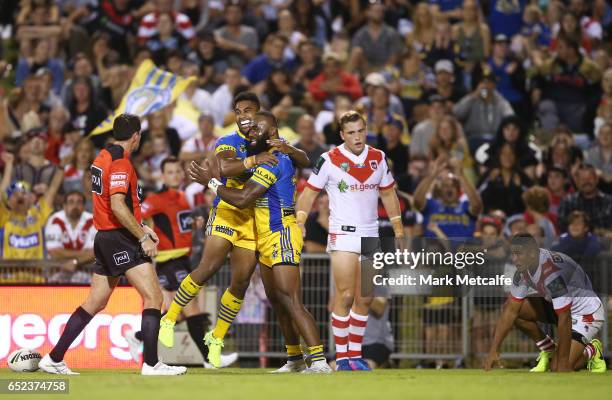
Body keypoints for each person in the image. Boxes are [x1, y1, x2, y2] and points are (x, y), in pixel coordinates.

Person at [158, 92, 309, 368]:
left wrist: (286, 150)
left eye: (248, 110)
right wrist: (254, 160)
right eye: (238, 111)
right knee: (208, 268)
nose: (242, 116)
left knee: (239, 283)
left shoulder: (270, 141)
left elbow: (303, 159)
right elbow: (224, 167)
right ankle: (168, 319)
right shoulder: (228, 141)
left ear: (259, 113)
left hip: (253, 219)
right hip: (227, 212)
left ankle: (216, 340)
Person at [38, 113, 186, 376]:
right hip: (120, 237)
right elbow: (117, 205)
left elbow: (114, 204)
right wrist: (141, 236)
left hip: (105, 237)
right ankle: (151, 363)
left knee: (95, 302)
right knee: (153, 296)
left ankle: (54, 357)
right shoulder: (120, 163)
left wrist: (141, 226)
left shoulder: (101, 158)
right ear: (136, 136)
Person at [189, 111, 332, 374]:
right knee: (277, 300)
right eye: (251, 128)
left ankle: (320, 361)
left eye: (257, 128)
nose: (251, 131)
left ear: (273, 130)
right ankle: (294, 359)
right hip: (265, 236)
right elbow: (303, 158)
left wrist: (210, 182)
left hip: (282, 233)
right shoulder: (277, 155)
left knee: (291, 299)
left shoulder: (273, 161)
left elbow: (244, 198)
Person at [296, 110, 404, 371]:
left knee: (365, 297)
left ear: (366, 130)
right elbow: (309, 193)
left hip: (371, 234)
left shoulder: (378, 159)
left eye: (360, 131)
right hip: (343, 233)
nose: (357, 136)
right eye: (351, 132)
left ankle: (354, 355)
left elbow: (389, 195)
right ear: (342, 135)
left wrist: (398, 229)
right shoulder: (328, 160)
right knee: (344, 295)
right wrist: (299, 223)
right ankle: (343, 358)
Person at [124, 157, 237, 368]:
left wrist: (193, 224)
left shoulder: (183, 197)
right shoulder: (156, 199)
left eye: (178, 171)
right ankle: (209, 359)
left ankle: (139, 336)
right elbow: (135, 216)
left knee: (180, 313)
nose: (175, 175)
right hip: (170, 260)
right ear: (163, 176)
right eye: (170, 172)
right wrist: (145, 236)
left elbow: (178, 226)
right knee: (191, 308)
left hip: (182, 259)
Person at [484, 233, 607, 373]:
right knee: (512, 310)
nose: (514, 259)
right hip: (561, 309)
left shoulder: (552, 274)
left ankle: (592, 350)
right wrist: (494, 350)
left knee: (558, 368)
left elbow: (565, 317)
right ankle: (549, 349)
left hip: (585, 314)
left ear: (531, 253)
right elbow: (510, 311)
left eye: (519, 254)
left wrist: (562, 362)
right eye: (513, 254)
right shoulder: (524, 269)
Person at [0, 152, 63, 260]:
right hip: (9, 275)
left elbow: (52, 190)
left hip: (36, 275)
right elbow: (2, 195)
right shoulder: (4, 217)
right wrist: (9, 164)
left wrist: (61, 168)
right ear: (8, 201)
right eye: (14, 194)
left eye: (24, 193)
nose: (20, 196)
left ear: (31, 198)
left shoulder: (38, 214)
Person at [413, 156, 482, 239]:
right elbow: (417, 201)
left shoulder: (466, 206)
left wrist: (461, 174)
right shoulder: (432, 205)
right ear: (440, 191)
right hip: (436, 250)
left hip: (462, 250)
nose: (449, 188)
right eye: (445, 186)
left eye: (453, 186)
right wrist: (433, 174)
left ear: (458, 190)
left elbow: (477, 205)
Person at [557, 164, 612, 236]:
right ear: (577, 182)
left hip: (604, 245)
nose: (586, 182)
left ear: (596, 179)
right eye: (582, 179)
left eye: (589, 178)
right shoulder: (568, 202)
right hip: (574, 244)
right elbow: (562, 226)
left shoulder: (609, 202)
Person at [44, 191, 96, 268]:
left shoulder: (92, 220)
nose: (75, 206)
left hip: (86, 272)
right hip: (58, 270)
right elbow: (54, 252)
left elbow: (94, 253)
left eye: (79, 202)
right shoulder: (55, 219)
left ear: (84, 207)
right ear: (64, 206)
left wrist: (75, 262)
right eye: (71, 202)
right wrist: (83, 254)